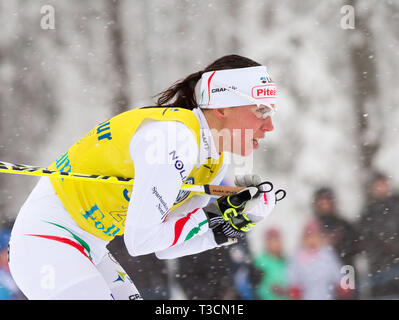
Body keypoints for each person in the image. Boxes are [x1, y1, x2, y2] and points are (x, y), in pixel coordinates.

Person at [8, 54, 283, 299]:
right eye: (260, 110)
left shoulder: (214, 159)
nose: (269, 126)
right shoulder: (175, 139)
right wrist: (214, 214)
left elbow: (167, 247)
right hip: (46, 240)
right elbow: (141, 241)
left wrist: (234, 223)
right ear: (222, 108)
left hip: (90, 246)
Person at [357, 172, 399, 299]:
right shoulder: (367, 212)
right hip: (378, 269)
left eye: (383, 185)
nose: (381, 188)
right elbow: (363, 239)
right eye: (377, 186)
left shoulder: (396, 206)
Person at [286, 220, 342, 300]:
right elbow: (292, 273)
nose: (312, 240)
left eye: (315, 236)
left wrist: (341, 284)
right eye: (309, 237)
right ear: (304, 239)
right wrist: (294, 287)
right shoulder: (298, 255)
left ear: (320, 238)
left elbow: (336, 271)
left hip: (326, 295)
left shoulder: (327, 254)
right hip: (306, 296)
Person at [253, 228, 288, 300]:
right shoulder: (260, 261)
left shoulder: (286, 261)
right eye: (271, 241)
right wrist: (269, 288)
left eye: (276, 241)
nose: (274, 244)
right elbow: (256, 282)